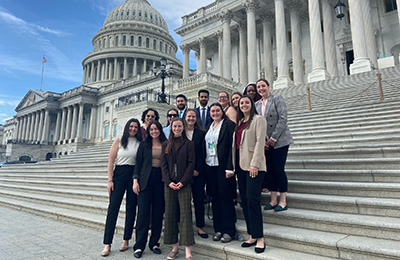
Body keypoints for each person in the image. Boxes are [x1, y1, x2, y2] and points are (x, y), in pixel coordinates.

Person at [101, 118, 142, 257]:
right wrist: (110, 180)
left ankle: (126, 240)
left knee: (131, 208)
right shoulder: (119, 140)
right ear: (127, 127)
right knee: (113, 208)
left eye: (136, 127)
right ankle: (107, 243)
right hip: (119, 174)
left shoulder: (139, 142)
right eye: (131, 126)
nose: (133, 129)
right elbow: (111, 161)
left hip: (133, 175)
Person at [233, 96, 267, 253]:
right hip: (241, 166)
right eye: (241, 103)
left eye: (247, 102)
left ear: (252, 105)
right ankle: (252, 234)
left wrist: (255, 163)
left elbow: (260, 142)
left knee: (253, 200)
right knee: (245, 201)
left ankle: (260, 238)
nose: (244, 105)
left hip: (254, 166)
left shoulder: (259, 119)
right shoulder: (240, 123)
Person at [255, 78, 293, 212]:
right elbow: (258, 124)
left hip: (280, 141)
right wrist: (264, 141)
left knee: (278, 169)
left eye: (263, 86)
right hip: (266, 143)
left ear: (268, 86)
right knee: (269, 170)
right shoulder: (257, 104)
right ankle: (273, 199)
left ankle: (283, 200)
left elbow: (283, 118)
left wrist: (273, 138)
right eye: (258, 87)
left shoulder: (277, 98)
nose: (261, 89)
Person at [161, 117, 195, 260]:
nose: (177, 128)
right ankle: (174, 248)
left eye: (179, 126)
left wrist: (182, 181)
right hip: (169, 184)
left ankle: (188, 251)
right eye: (174, 126)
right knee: (170, 214)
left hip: (184, 184)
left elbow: (191, 164)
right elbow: (164, 166)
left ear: (183, 127)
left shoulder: (189, 144)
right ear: (171, 127)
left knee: (186, 215)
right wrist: (168, 181)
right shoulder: (166, 144)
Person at [132, 121, 167, 258]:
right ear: (148, 131)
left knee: (158, 212)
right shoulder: (144, 145)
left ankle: (154, 243)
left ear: (160, 130)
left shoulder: (165, 144)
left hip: (160, 180)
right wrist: (135, 180)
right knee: (143, 214)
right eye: (151, 129)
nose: (154, 131)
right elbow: (138, 164)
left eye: (156, 129)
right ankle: (139, 245)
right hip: (145, 180)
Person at [205, 103, 236, 243]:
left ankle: (229, 230)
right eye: (213, 111)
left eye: (218, 110)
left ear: (222, 112)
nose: (215, 113)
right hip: (210, 167)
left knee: (225, 198)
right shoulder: (209, 127)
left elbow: (232, 148)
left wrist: (230, 167)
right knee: (215, 198)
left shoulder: (229, 125)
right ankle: (218, 228)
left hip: (223, 168)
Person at [184, 109, 208, 239]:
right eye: (189, 116)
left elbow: (202, 153)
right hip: (183, 173)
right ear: (185, 117)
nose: (191, 119)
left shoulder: (201, 133)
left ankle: (200, 226)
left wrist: (197, 169)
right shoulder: (180, 132)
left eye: (193, 117)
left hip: (198, 173)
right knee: (184, 201)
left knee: (198, 199)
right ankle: (185, 225)